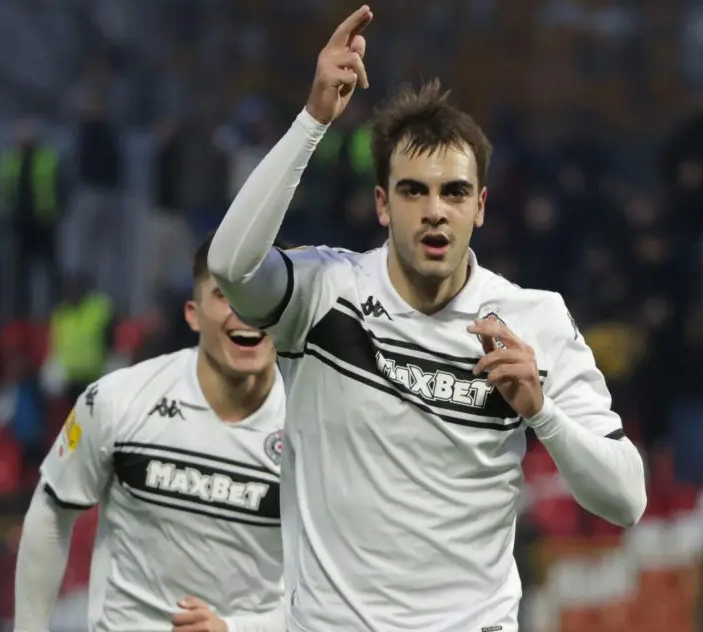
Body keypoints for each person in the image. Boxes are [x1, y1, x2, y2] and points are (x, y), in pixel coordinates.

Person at [207, 6, 647, 631]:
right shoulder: (324, 292)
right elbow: (229, 265)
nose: (435, 210)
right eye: (414, 190)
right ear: (382, 204)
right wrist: (313, 121)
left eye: (454, 192)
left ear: (481, 207)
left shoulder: (535, 320)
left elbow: (627, 499)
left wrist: (541, 411)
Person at [14, 234, 286, 632]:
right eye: (226, 295)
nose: (245, 312)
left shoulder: (317, 429)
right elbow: (51, 510)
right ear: (193, 314)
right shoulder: (117, 400)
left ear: (286, 311)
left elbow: (338, 587)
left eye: (261, 294)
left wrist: (236, 629)